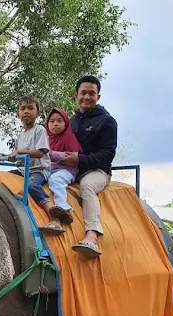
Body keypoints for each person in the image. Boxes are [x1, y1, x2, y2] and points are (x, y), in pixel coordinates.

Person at [59, 75, 117, 257]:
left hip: (97, 171)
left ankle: (92, 235)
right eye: (83, 93)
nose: (86, 97)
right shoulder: (70, 121)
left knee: (87, 186)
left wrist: (80, 160)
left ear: (98, 96)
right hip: (72, 170)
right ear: (76, 95)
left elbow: (107, 155)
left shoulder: (107, 121)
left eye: (91, 93)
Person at [0, 96, 57, 218]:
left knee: (31, 185)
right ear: (18, 113)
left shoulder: (39, 130)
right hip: (23, 170)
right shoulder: (21, 135)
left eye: (30, 108)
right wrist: (3, 155)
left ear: (38, 113)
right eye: (22, 108)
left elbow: (40, 153)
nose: (26, 111)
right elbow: (16, 155)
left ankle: (50, 209)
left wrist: (20, 152)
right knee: (1, 177)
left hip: (38, 170)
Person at [40, 107, 84, 234]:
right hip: (50, 168)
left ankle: (63, 207)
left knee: (56, 180)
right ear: (47, 124)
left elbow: (73, 156)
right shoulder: (46, 139)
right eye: (52, 121)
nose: (55, 124)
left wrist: (52, 154)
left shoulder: (69, 137)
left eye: (59, 121)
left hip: (67, 170)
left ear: (66, 123)